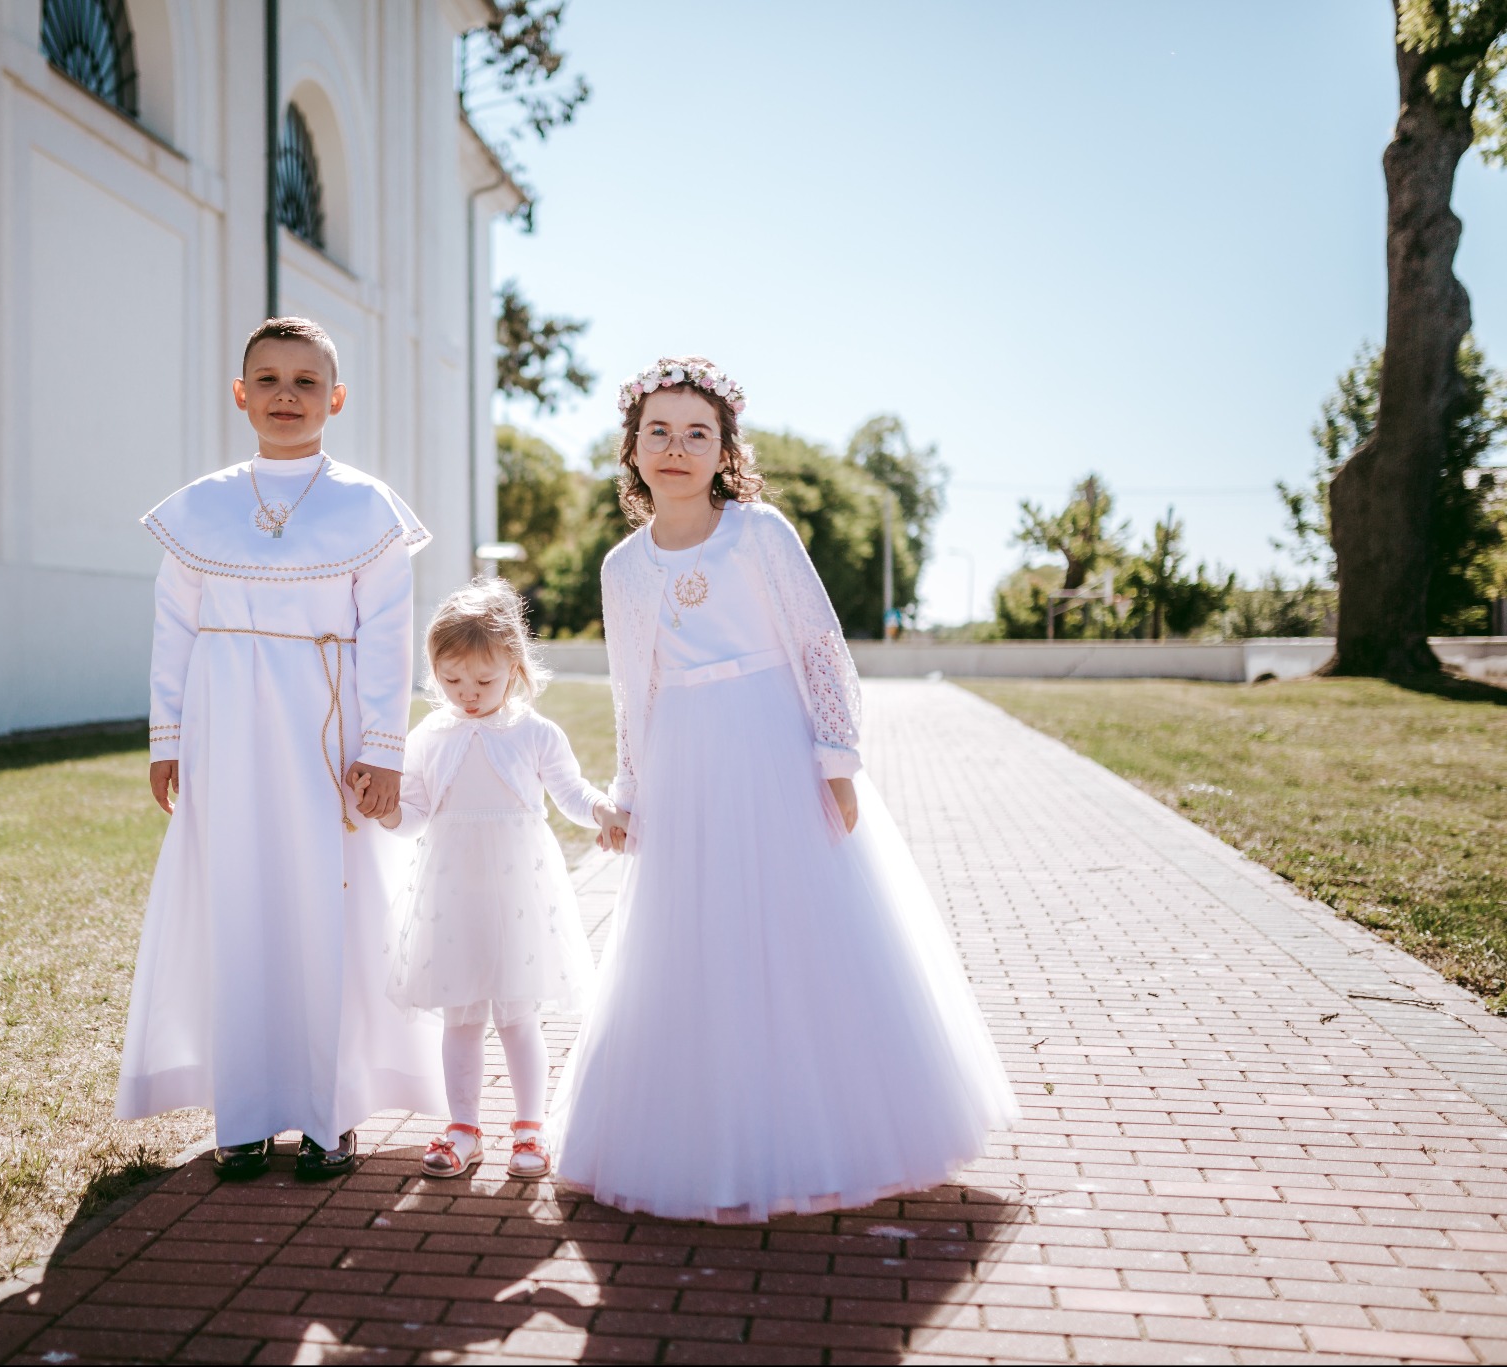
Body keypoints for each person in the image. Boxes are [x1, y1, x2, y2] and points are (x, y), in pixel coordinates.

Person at [551, 357, 1019, 1222]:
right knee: (695, 936)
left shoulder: (759, 533)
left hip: (770, 743)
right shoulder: (623, 565)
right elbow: (631, 686)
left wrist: (835, 759)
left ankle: (830, 1123)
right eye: (659, 431)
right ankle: (703, 1129)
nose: (677, 448)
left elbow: (817, 647)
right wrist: (633, 789)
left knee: (798, 927)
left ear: (726, 450)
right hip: (685, 760)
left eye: (698, 433)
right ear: (633, 448)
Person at [114, 316, 445, 1182]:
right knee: (241, 898)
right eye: (268, 379)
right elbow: (173, 629)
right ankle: (248, 1109)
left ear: (335, 398)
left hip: (324, 725)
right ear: (240, 393)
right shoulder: (201, 504)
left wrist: (381, 744)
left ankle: (330, 1112)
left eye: (306, 382)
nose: (286, 396)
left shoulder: (367, 506)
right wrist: (169, 737)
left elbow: (389, 636)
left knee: (323, 902)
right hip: (224, 721)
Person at [371, 581, 621, 1179]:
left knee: (516, 1015)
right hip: (452, 894)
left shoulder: (536, 734)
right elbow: (413, 815)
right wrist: (384, 810)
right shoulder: (430, 737)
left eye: (483, 682)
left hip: (518, 895)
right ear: (435, 674)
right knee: (460, 1016)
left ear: (515, 667)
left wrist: (604, 812)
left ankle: (530, 1127)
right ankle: (462, 1126)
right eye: (453, 682)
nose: (469, 695)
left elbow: (569, 793)